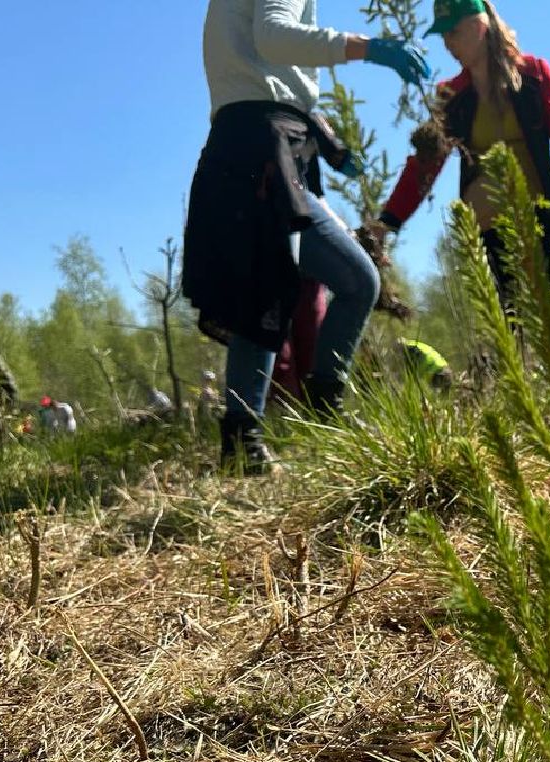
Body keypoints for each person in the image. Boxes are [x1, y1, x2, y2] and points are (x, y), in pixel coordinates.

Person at [184, 0, 430, 472]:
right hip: (261, 150)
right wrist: (370, 48)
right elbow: (274, 37)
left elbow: (267, 72)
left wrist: (328, 144)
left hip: (257, 146)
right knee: (294, 291)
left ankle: (287, 427)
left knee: (305, 289)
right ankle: (258, 435)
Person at [370, 0, 550, 307]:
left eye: (453, 32)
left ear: (479, 27)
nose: (447, 42)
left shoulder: (534, 75)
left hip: (539, 225)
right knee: (513, 334)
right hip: (488, 238)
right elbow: (424, 166)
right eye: (442, 35)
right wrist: (387, 222)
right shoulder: (452, 95)